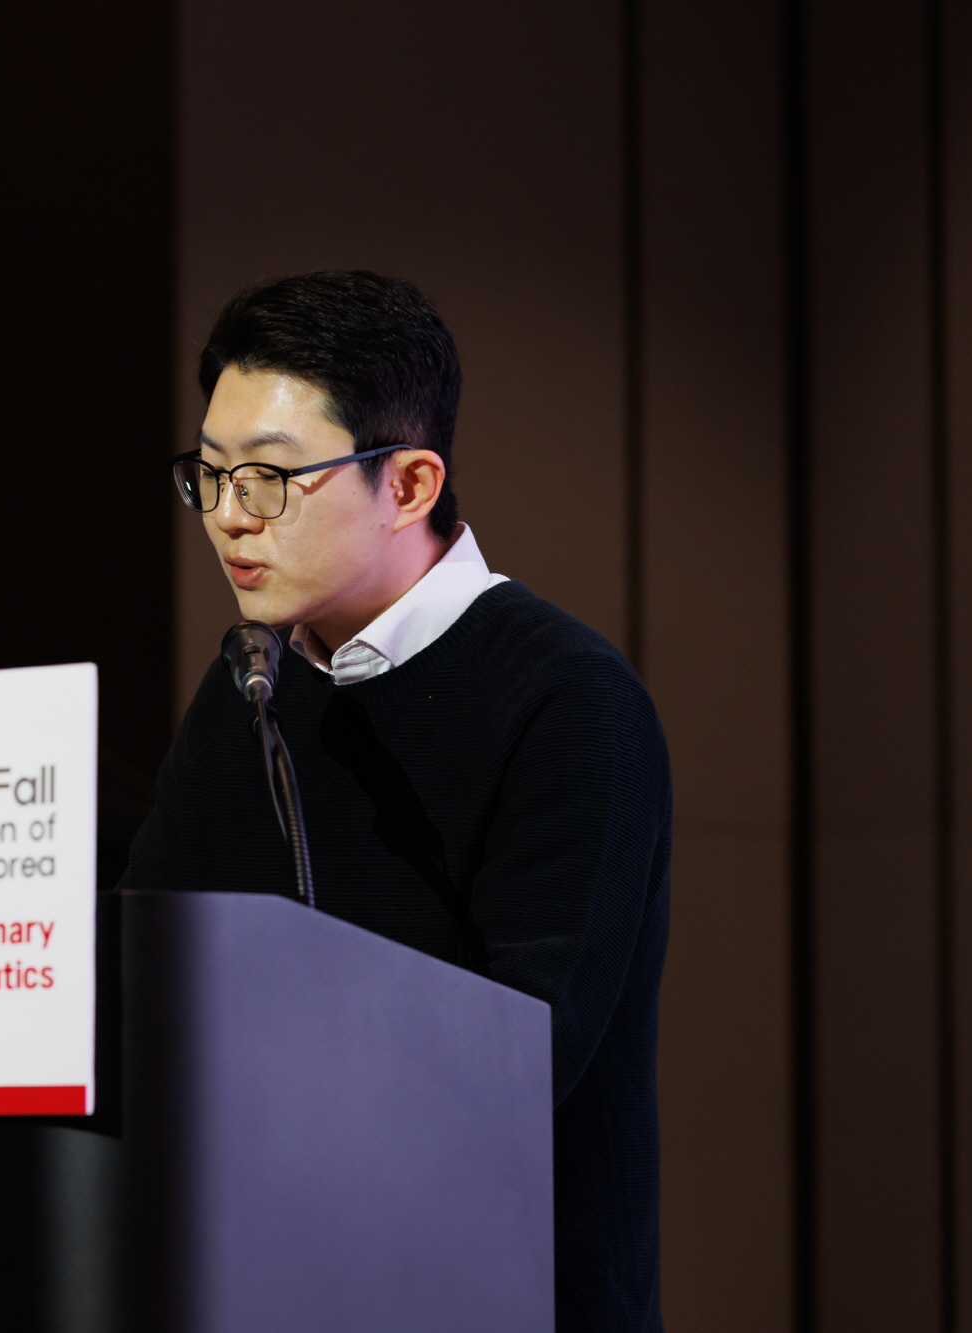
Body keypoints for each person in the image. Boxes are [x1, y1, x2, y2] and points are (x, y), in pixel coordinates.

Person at [119, 271, 671, 1332]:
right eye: (211, 474)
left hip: (498, 1292)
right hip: (266, 1282)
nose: (228, 517)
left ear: (410, 483)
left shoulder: (568, 701)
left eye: (270, 478)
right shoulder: (250, 690)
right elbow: (148, 975)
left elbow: (522, 1053)